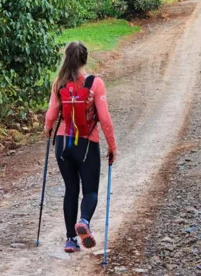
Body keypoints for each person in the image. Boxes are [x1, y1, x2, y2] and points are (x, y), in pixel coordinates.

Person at [45, 42, 117, 253]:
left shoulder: (59, 83)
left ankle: (70, 240)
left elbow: (51, 114)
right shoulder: (95, 83)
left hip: (62, 145)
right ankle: (83, 222)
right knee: (91, 191)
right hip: (87, 143)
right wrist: (112, 146)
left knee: (71, 190)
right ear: (85, 59)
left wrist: (48, 129)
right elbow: (104, 118)